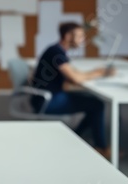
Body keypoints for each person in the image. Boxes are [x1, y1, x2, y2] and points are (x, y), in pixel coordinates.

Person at [31, 22, 115, 157]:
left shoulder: (57, 50)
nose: (83, 39)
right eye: (80, 36)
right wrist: (100, 73)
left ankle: (78, 138)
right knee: (96, 105)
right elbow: (75, 78)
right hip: (46, 101)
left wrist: (91, 73)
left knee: (93, 102)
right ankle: (100, 147)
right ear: (68, 36)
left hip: (48, 96)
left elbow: (73, 75)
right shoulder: (56, 52)